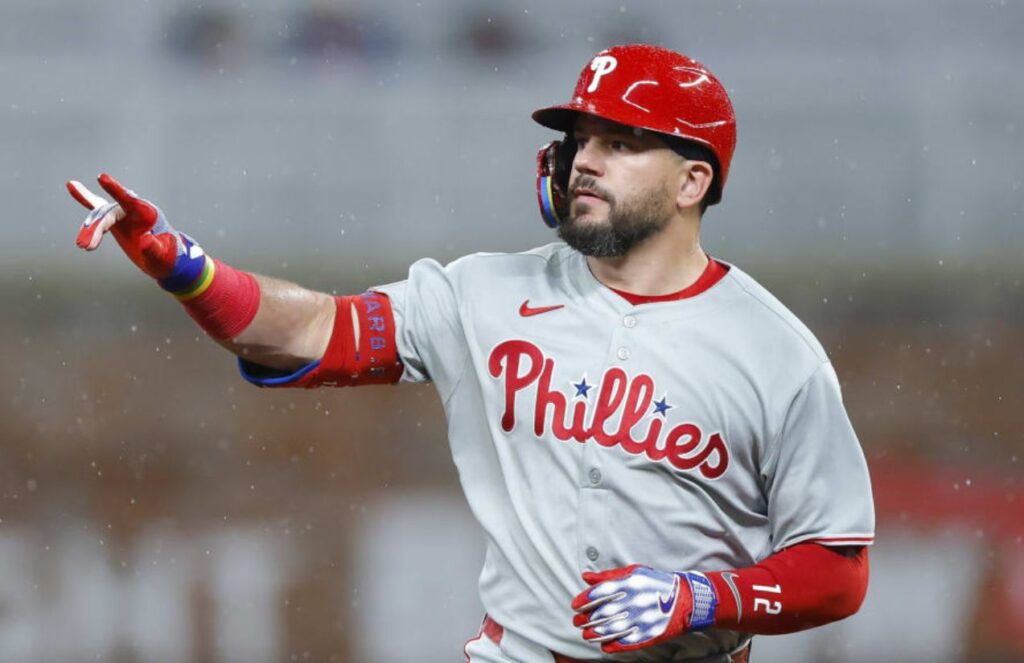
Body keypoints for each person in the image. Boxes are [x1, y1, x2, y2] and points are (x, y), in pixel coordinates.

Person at [68, 43, 874, 663]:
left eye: (623, 143)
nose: (586, 158)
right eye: (581, 138)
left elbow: (837, 570)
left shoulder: (776, 353)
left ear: (693, 181)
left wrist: (703, 597)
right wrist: (187, 270)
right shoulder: (482, 293)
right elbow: (308, 330)